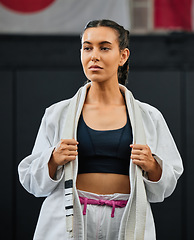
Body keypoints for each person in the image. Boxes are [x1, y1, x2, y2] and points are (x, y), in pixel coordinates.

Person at [18, 19, 183, 240]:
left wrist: (152, 165)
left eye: (104, 47)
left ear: (123, 56)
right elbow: (31, 181)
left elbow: (168, 182)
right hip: (70, 215)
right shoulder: (58, 113)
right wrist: (53, 159)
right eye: (88, 48)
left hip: (127, 217)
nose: (94, 55)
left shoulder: (149, 116)